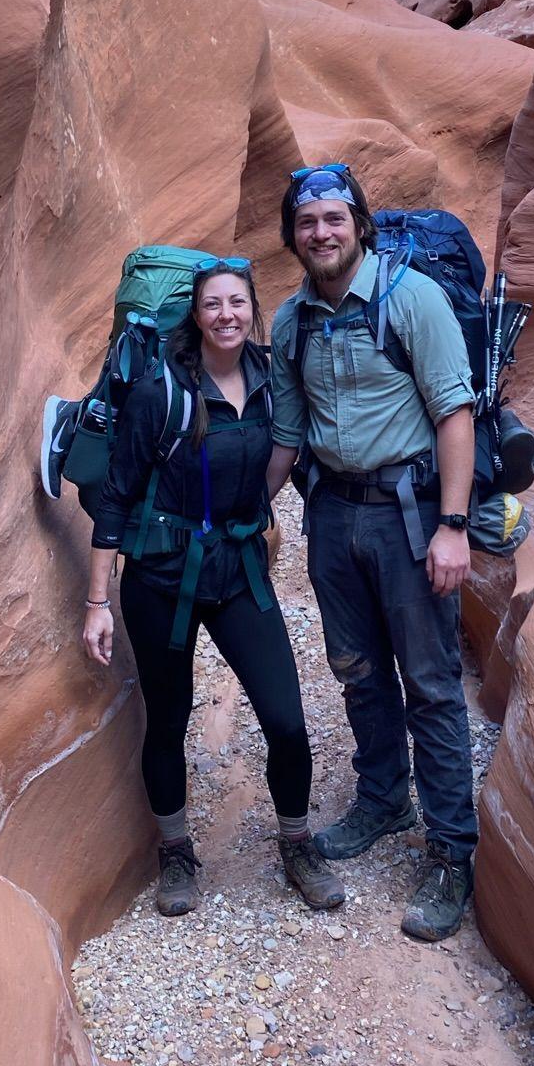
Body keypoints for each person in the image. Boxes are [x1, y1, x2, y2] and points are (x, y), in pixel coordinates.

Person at [83, 257, 345, 919]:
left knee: (285, 717)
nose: (226, 314)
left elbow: (290, 447)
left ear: (252, 309)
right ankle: (175, 850)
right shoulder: (159, 390)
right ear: (194, 315)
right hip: (160, 577)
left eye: (237, 303)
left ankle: (295, 842)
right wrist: (94, 601)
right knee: (168, 719)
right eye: (212, 305)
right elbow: (114, 497)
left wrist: (255, 518)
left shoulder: (269, 377)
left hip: (236, 573)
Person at [264, 164, 480, 943]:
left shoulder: (409, 297)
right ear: (292, 235)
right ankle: (383, 799)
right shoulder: (290, 323)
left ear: (359, 223)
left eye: (332, 217)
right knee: (356, 671)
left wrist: (452, 525)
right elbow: (287, 436)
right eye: (306, 221)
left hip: (409, 514)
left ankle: (453, 852)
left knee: (429, 683)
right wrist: (246, 511)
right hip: (332, 516)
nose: (320, 232)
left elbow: (455, 413)